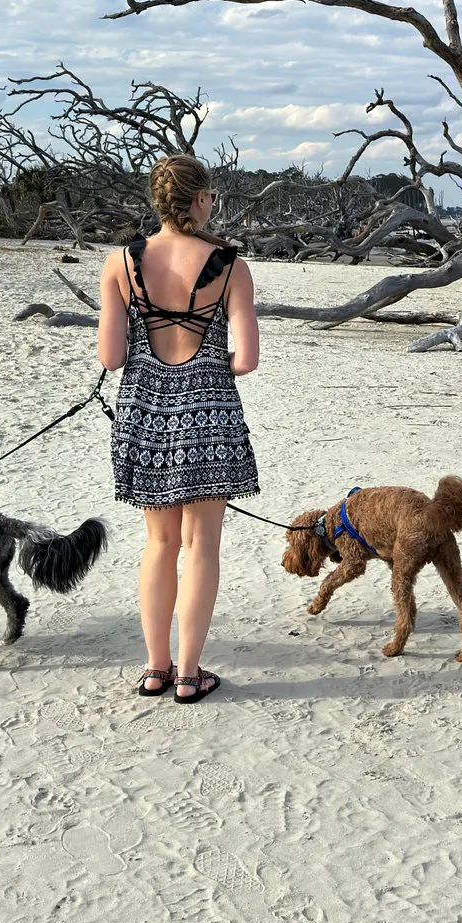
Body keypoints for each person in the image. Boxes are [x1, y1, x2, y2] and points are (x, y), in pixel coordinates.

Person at [97, 155, 261, 703]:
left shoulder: (122, 262)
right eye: (210, 194)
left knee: (160, 543)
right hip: (210, 416)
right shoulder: (231, 266)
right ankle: (190, 675)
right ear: (199, 200)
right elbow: (246, 361)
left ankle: (154, 668)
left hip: (145, 412)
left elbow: (112, 356)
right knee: (202, 546)